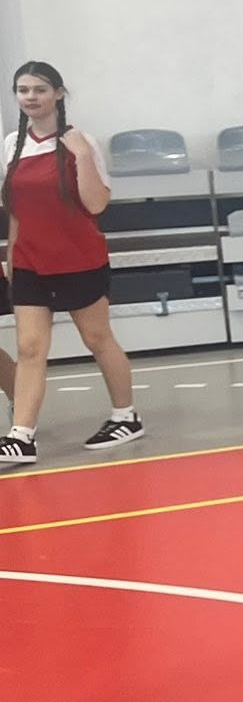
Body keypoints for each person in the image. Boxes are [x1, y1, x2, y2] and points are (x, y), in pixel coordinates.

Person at [0, 62, 141, 469]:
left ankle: (126, 417)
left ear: (58, 94)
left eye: (39, 89)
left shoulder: (82, 141)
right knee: (29, 348)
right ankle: (22, 436)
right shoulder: (12, 144)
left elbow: (96, 204)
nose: (30, 97)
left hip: (78, 258)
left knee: (97, 339)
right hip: (30, 260)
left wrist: (80, 154)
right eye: (23, 90)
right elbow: (16, 211)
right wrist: (12, 258)